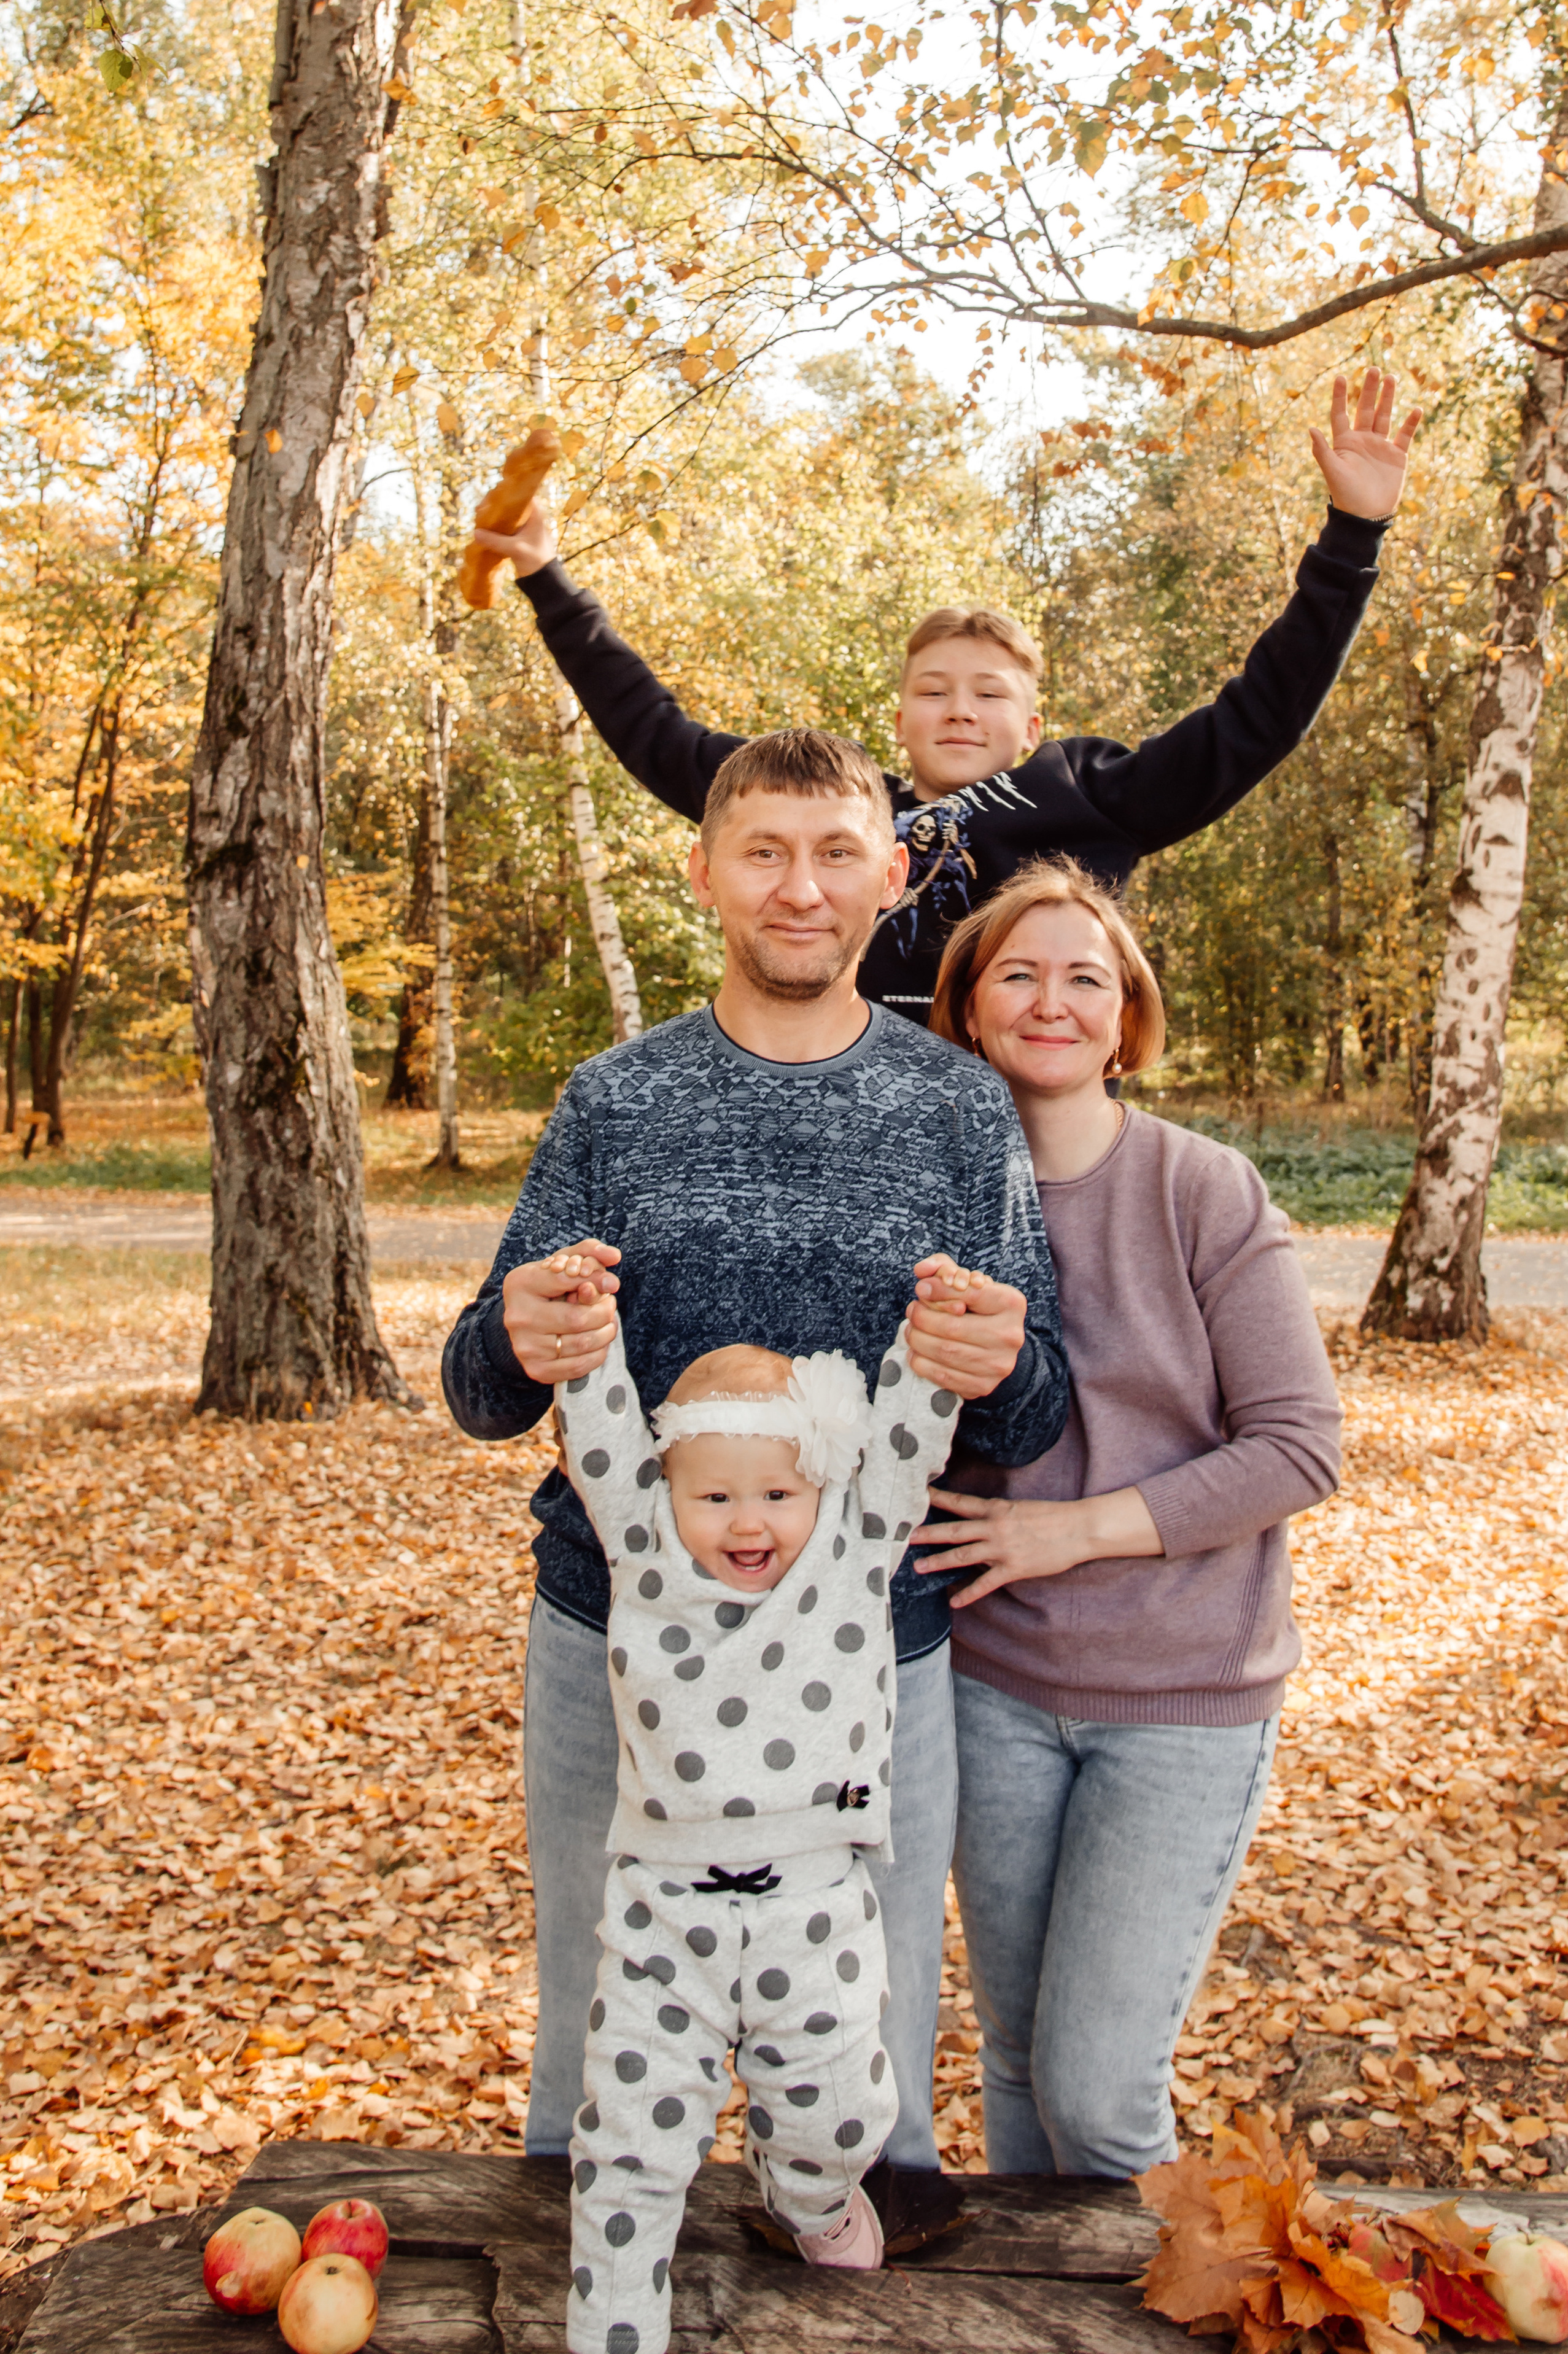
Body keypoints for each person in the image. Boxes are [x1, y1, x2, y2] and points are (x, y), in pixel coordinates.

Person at [441, 728, 1066, 2222]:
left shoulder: (955, 1108)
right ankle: (593, 2279)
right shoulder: (615, 1100)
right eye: (765, 853)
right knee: (593, 2028)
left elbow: (1030, 1412)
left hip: (870, 1659)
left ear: (890, 876)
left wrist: (999, 1363)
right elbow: (479, 1384)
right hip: (615, 1646)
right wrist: (514, 1335)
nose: (801, 889)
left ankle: (848, 2249)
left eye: (836, 853)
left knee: (866, 2051)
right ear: (704, 872)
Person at [473, 370, 1419, 1020]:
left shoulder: (1087, 793)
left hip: (1028, 1133)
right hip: (865, 1127)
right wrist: (549, 582)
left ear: (1032, 725)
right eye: (934, 690)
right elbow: (656, 733)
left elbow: (1259, 718)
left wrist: (1354, 534)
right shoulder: (837, 805)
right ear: (899, 719)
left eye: (988, 694)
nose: (960, 708)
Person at [910, 859, 1342, 2177]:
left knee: (1098, 2098)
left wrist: (1070, 1529)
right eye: (1018, 975)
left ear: (1126, 1017)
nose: (1051, 1001)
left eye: (1084, 978)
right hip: (991, 1684)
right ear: (968, 1008)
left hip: (1179, 1695)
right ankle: (1042, 2295)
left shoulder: (1202, 1188)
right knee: (1014, 2058)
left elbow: (1298, 1448)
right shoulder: (932, 1196)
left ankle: (1170, 2276)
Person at [548, 1253, 982, 2352]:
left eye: (778, 1494)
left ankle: (810, 2195)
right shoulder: (643, 1545)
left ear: (819, 1486)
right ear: (668, 1491)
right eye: (716, 1496)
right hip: (663, 1913)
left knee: (843, 2117)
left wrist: (931, 1336)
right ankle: (615, 2326)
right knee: (629, 2149)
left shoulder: (855, 1546)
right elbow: (597, 1424)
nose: (749, 1523)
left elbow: (909, 1439)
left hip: (815, 1905)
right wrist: (585, 1323)